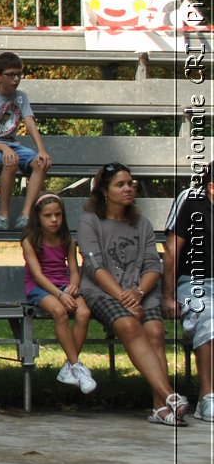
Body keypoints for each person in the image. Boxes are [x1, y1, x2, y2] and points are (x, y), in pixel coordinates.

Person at [78, 163, 186, 425]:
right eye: (121, 184)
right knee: (128, 324)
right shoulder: (90, 221)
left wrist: (137, 293)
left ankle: (160, 408)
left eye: (131, 183)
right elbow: (95, 266)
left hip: (141, 289)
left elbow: (152, 265)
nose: (128, 188)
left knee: (156, 332)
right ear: (104, 190)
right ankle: (169, 396)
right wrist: (122, 297)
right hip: (102, 290)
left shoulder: (142, 223)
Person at [21, 193, 94, 393]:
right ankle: (76, 365)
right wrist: (60, 296)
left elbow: (73, 270)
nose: (54, 220)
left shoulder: (67, 240)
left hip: (63, 285)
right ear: (38, 217)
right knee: (60, 312)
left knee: (83, 313)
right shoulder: (30, 240)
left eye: (58, 215)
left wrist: (73, 286)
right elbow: (37, 275)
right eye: (48, 216)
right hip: (39, 288)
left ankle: (68, 368)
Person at [0, 51, 51, 230]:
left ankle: (26, 215)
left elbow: (29, 122)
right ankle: (3, 216)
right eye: (10, 75)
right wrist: (4, 149)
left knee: (40, 163)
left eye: (19, 74)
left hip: (11, 144)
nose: (16, 79)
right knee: (11, 161)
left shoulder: (21, 96)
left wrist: (41, 150)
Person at [163, 167, 214, 422]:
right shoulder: (191, 200)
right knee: (210, 317)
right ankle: (207, 398)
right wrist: (168, 296)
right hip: (195, 282)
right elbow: (172, 250)